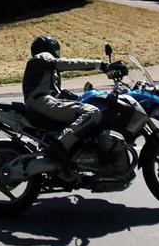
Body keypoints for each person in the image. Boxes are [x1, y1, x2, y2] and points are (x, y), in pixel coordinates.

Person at [22, 35, 127, 167]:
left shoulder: (43, 69)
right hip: (42, 101)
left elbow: (60, 93)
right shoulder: (43, 56)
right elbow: (66, 63)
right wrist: (100, 65)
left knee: (85, 107)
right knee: (92, 112)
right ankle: (59, 148)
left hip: (42, 101)